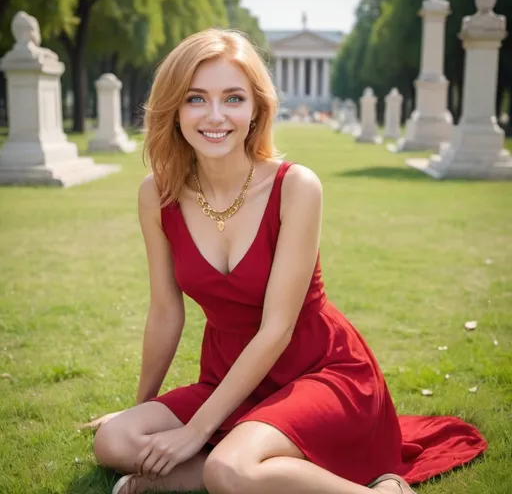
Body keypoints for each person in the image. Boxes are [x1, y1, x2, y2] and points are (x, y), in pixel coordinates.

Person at [87, 29, 487, 494]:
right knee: (114, 441)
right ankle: (240, 464)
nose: (215, 116)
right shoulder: (156, 195)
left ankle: (384, 491)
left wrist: (194, 431)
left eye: (232, 98)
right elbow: (165, 311)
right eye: (196, 98)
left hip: (319, 371)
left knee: (229, 472)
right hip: (229, 374)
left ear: (256, 108)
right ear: (174, 108)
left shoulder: (296, 187)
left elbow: (277, 329)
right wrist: (143, 411)